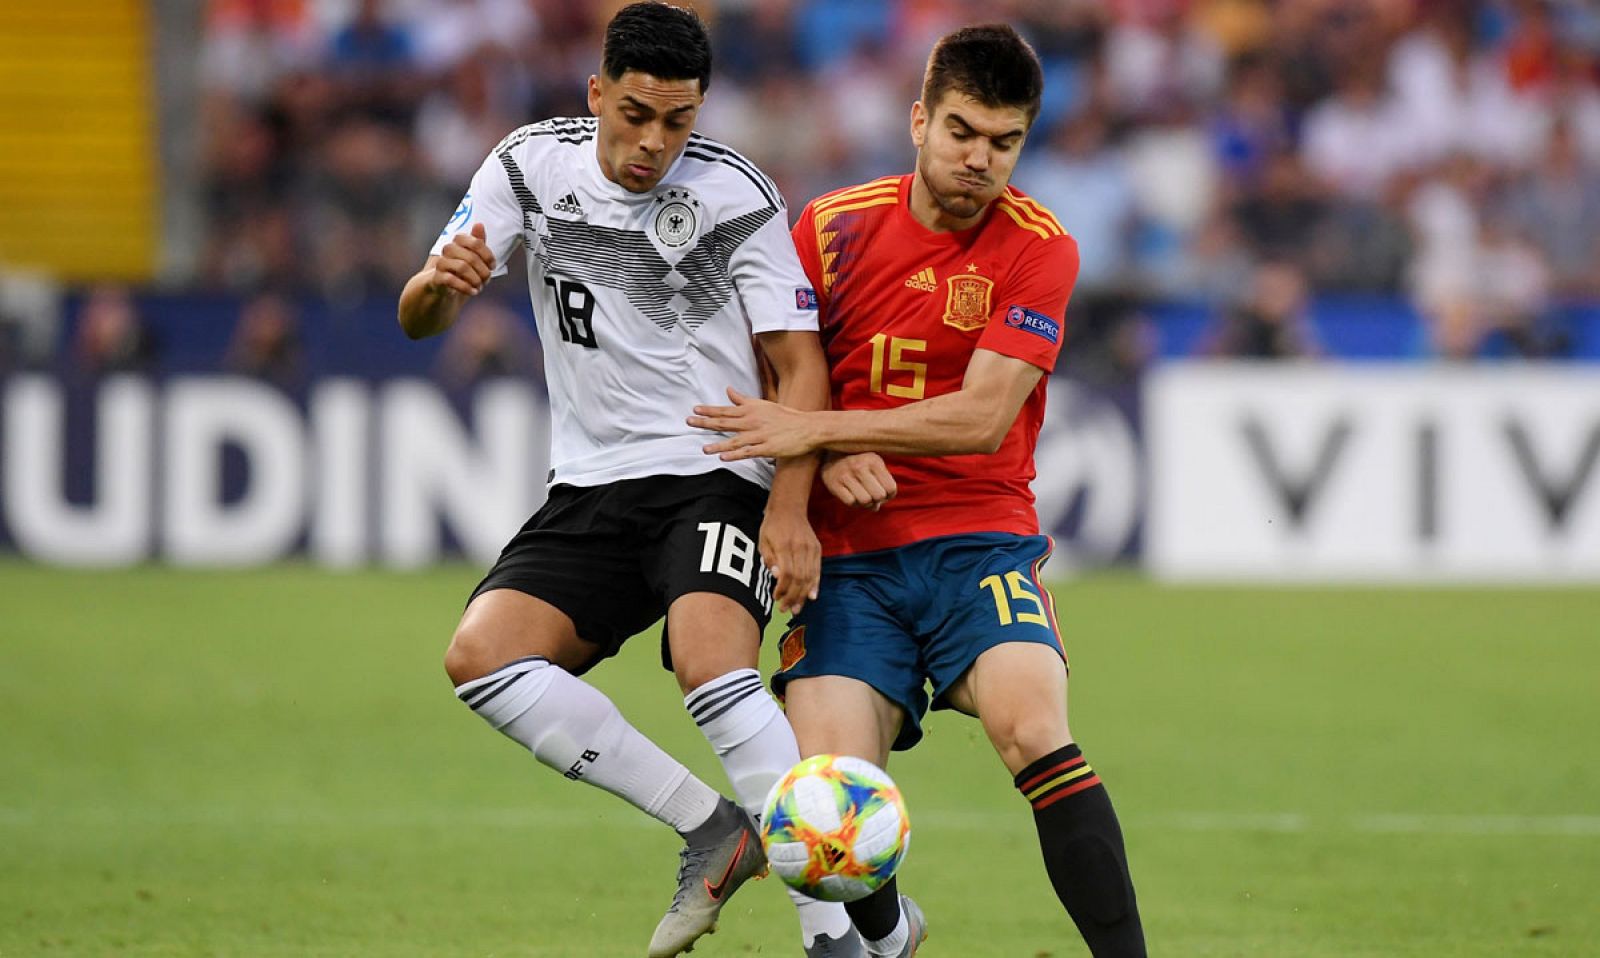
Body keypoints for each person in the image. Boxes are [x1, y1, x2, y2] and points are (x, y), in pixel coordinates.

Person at [397, 4, 861, 956]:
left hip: (717, 465)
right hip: (592, 481)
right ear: (597, 91)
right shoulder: (526, 166)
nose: (654, 141)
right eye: (637, 114)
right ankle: (712, 828)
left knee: (711, 664)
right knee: (481, 660)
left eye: (678, 120)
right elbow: (420, 317)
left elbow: (799, 366)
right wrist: (443, 284)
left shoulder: (737, 194)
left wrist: (788, 505)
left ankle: (840, 934)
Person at [688, 25, 1147, 958]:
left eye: (1004, 141)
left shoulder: (1039, 249)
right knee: (830, 804)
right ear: (918, 121)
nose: (981, 160)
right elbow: (767, 369)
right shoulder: (831, 226)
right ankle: (890, 935)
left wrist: (825, 433)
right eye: (962, 132)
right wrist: (804, 479)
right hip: (850, 561)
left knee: (1034, 728)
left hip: (978, 540)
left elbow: (981, 417)